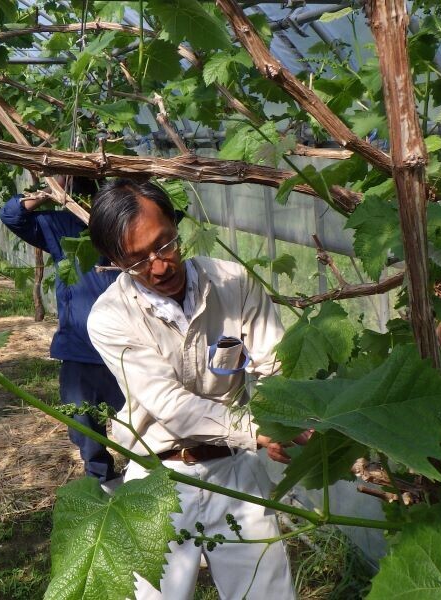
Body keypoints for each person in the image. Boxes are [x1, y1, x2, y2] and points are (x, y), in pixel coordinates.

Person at [86, 179, 304, 599]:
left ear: (173, 224)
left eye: (165, 244)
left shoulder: (233, 282)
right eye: (137, 261)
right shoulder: (110, 317)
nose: (161, 266)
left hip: (235, 471)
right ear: (114, 260)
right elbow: (172, 405)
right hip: (158, 479)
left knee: (267, 592)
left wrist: (284, 419)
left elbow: (274, 364)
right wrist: (257, 430)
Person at [0, 177, 125, 484]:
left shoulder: (125, 222)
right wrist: (46, 193)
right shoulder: (62, 225)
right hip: (80, 347)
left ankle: (151, 476)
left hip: (129, 346)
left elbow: (175, 210)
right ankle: (101, 482)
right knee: (84, 424)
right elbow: (11, 214)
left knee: (145, 419)